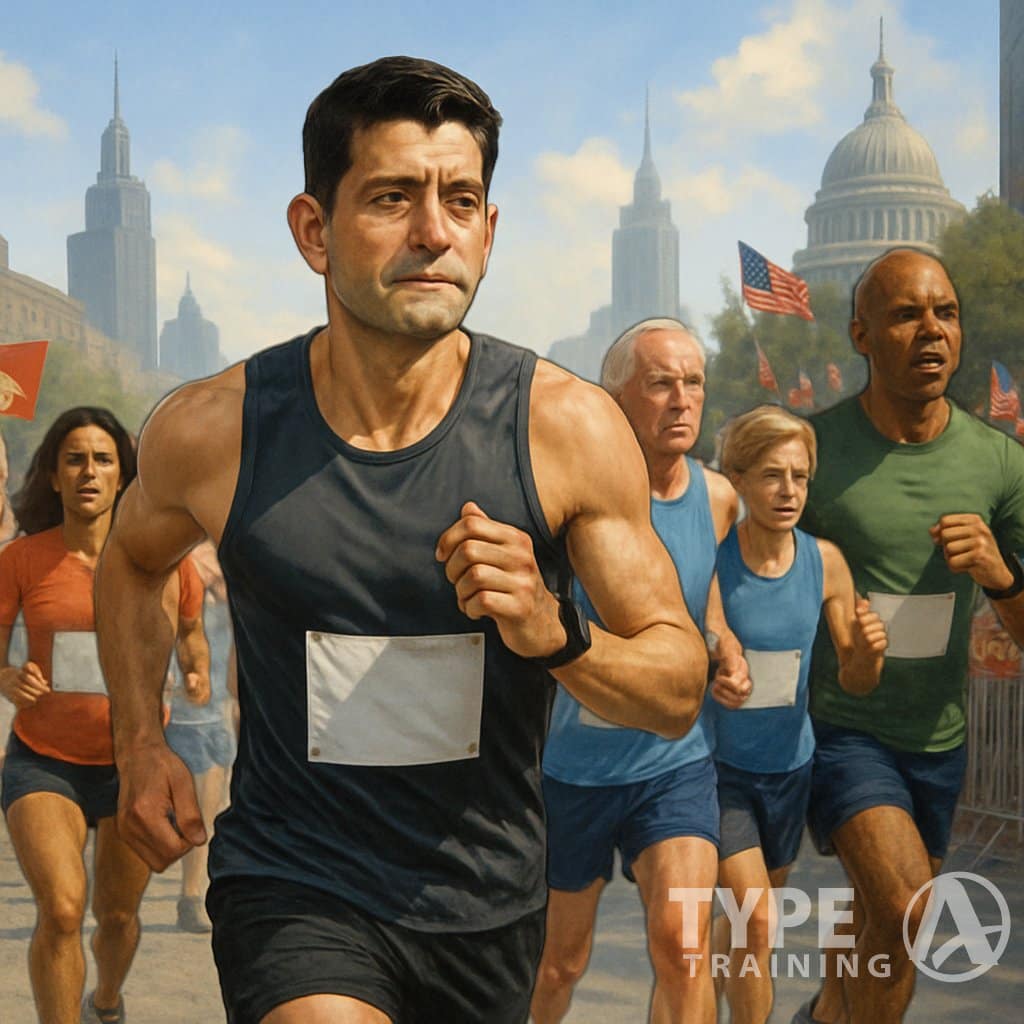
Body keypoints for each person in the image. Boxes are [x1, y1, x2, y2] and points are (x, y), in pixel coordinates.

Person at [94, 57, 709, 1024]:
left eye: (460, 199)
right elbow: (130, 561)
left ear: (489, 231)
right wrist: (139, 742)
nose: (434, 231)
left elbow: (677, 689)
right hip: (294, 882)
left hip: (486, 903)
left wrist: (558, 633)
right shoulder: (214, 430)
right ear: (313, 231)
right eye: (391, 197)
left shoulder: (567, 427)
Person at [791, 248, 1024, 1024]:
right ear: (860, 333)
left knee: (885, 922)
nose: (932, 331)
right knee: (906, 906)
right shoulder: (812, 455)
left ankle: (823, 1014)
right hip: (842, 730)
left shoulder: (997, 461)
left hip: (939, 737)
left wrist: (1001, 575)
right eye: (905, 314)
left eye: (946, 313)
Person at [531, 318, 746, 1024]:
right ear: (614, 397)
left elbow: (704, 596)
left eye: (693, 384)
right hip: (574, 770)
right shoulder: (568, 497)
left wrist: (725, 646)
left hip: (674, 762)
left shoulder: (717, 498)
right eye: (660, 383)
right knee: (559, 965)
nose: (682, 400)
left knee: (685, 948)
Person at [0, 407, 200, 1024]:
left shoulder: (162, 560)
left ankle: (106, 1002)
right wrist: (7, 678)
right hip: (43, 762)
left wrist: (197, 669)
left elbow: (191, 628)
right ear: (55, 477)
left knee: (117, 917)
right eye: (75, 460)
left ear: (124, 477)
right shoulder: (20, 559)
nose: (89, 471)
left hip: (132, 768)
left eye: (104, 459)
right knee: (62, 910)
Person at [708, 405, 887, 1024]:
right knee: (755, 918)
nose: (788, 492)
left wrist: (867, 653)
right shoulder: (711, 558)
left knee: (747, 931)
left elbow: (858, 679)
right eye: (771, 475)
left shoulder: (824, 561)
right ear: (739, 478)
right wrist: (712, 667)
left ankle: (697, 1001)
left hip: (788, 769)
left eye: (800, 477)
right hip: (717, 769)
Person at [163, 541, 236, 934]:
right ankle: (190, 895)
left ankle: (193, 894)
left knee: (209, 798)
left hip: (216, 691)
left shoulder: (232, 542)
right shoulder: (178, 547)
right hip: (180, 684)